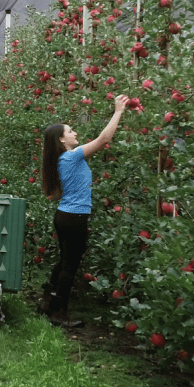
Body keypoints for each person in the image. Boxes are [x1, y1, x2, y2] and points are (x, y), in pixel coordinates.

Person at [38, 94, 129, 328]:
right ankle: (59, 313)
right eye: (70, 131)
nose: (75, 133)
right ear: (61, 139)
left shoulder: (62, 160)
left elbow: (54, 194)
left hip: (65, 215)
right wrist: (118, 111)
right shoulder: (72, 156)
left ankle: (47, 303)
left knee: (64, 261)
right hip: (74, 217)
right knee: (70, 265)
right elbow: (103, 139)